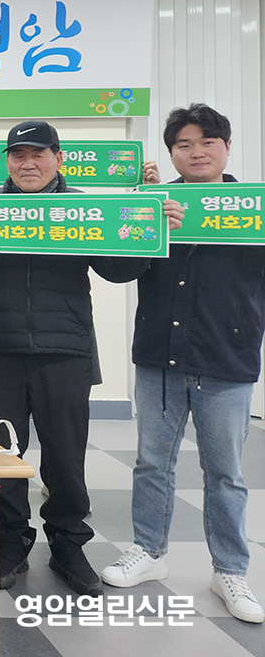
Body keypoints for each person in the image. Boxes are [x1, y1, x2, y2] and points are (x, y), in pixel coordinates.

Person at [0, 120, 148, 597]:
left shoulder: (84, 210)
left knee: (66, 457)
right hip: (0, 347)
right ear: (7, 161)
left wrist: (149, 230)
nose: (28, 163)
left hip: (66, 349)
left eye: (38, 154)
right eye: (18, 155)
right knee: (6, 453)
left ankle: (69, 544)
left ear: (58, 158)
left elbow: (117, 270)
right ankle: (12, 540)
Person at [99, 103, 264, 623]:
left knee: (226, 472)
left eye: (207, 142)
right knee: (152, 463)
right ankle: (149, 551)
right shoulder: (151, 204)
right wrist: (150, 230)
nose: (196, 152)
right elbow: (117, 271)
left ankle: (230, 570)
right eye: (184, 145)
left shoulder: (252, 208)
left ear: (227, 147)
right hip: (159, 357)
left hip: (226, 359)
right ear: (171, 153)